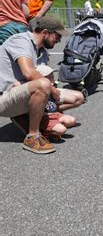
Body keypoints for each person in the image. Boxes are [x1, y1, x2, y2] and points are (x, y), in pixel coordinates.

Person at [0, 16, 69, 154]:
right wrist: (52, 89)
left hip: (20, 91)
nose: (59, 40)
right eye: (57, 36)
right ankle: (32, 136)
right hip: (4, 96)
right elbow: (29, 73)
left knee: (77, 97)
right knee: (43, 85)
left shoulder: (42, 50)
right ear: (45, 32)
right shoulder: (21, 40)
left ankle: (31, 117)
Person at [36, 64, 77, 141]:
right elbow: (36, 110)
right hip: (45, 117)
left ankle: (54, 127)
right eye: (48, 76)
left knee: (72, 120)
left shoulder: (53, 87)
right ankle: (45, 133)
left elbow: (57, 100)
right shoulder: (39, 91)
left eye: (52, 74)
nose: (51, 76)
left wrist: (53, 90)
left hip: (55, 113)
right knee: (62, 130)